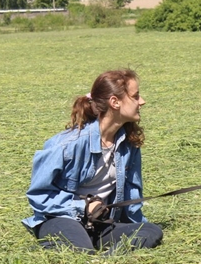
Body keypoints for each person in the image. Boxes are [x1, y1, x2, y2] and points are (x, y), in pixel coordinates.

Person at [22, 69, 163, 254]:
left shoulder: (129, 144)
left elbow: (132, 195)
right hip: (61, 218)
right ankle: (70, 246)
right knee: (81, 250)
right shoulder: (67, 145)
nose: (142, 101)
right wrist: (84, 207)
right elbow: (38, 196)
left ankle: (106, 260)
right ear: (115, 102)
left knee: (151, 231)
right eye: (135, 96)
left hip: (99, 223)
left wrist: (134, 226)